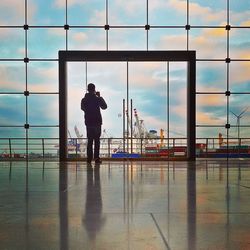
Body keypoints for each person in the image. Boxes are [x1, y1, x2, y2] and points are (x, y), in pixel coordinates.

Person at [81, 83, 107, 164]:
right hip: (97, 122)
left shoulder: (84, 100)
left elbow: (83, 108)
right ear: (94, 89)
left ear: (88, 89)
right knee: (97, 141)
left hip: (89, 122)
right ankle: (96, 158)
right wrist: (99, 97)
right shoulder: (97, 99)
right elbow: (104, 107)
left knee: (90, 141)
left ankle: (89, 158)